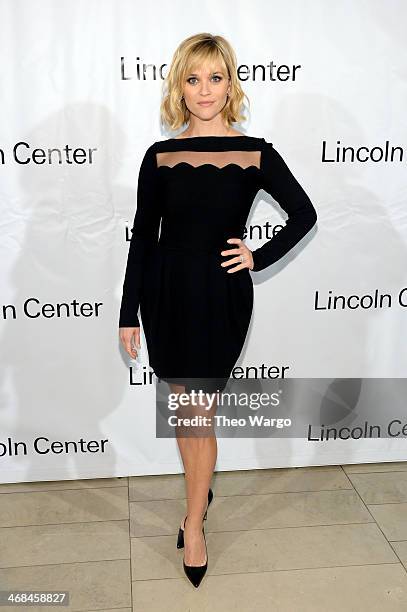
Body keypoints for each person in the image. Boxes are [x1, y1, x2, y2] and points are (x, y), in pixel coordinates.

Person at [118, 32, 317, 588]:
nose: (204, 90)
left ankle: (194, 522)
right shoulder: (158, 156)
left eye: (215, 77)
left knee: (198, 411)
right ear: (179, 88)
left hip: (220, 293)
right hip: (166, 293)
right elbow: (142, 240)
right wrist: (128, 311)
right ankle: (199, 497)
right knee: (184, 410)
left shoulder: (256, 152)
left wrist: (258, 255)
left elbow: (304, 214)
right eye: (193, 78)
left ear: (230, 84)